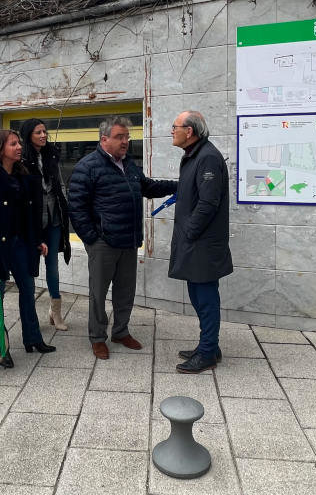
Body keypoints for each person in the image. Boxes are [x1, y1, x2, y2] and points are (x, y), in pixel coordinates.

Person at [68, 116, 177, 360]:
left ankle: (120, 331)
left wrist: (178, 185)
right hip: (103, 243)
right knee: (98, 293)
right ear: (104, 139)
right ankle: (97, 337)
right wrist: (92, 239)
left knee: (125, 291)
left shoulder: (129, 165)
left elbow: (148, 187)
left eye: (127, 137)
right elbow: (76, 207)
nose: (125, 141)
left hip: (129, 240)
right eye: (120, 137)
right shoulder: (87, 166)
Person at [0, 129, 55, 365]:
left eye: (19, 143)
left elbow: (30, 213)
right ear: (0, 148)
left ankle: (33, 338)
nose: (19, 147)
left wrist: (37, 241)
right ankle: (1, 349)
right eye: (13, 144)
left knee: (28, 291)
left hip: (21, 244)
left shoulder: (23, 174)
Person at [168, 111, 233, 374]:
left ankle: (207, 353)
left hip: (202, 244)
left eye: (175, 126)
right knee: (198, 294)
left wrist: (189, 232)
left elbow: (208, 203)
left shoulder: (206, 157)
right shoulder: (195, 155)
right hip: (197, 242)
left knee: (205, 297)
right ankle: (209, 345)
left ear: (190, 131)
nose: (171, 131)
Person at [19, 119, 71, 331]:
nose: (43, 135)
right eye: (38, 132)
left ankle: (55, 311)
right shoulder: (21, 157)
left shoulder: (51, 154)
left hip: (54, 218)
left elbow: (59, 184)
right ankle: (30, 315)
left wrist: (65, 207)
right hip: (32, 222)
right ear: (28, 135)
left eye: (44, 131)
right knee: (31, 267)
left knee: (53, 266)